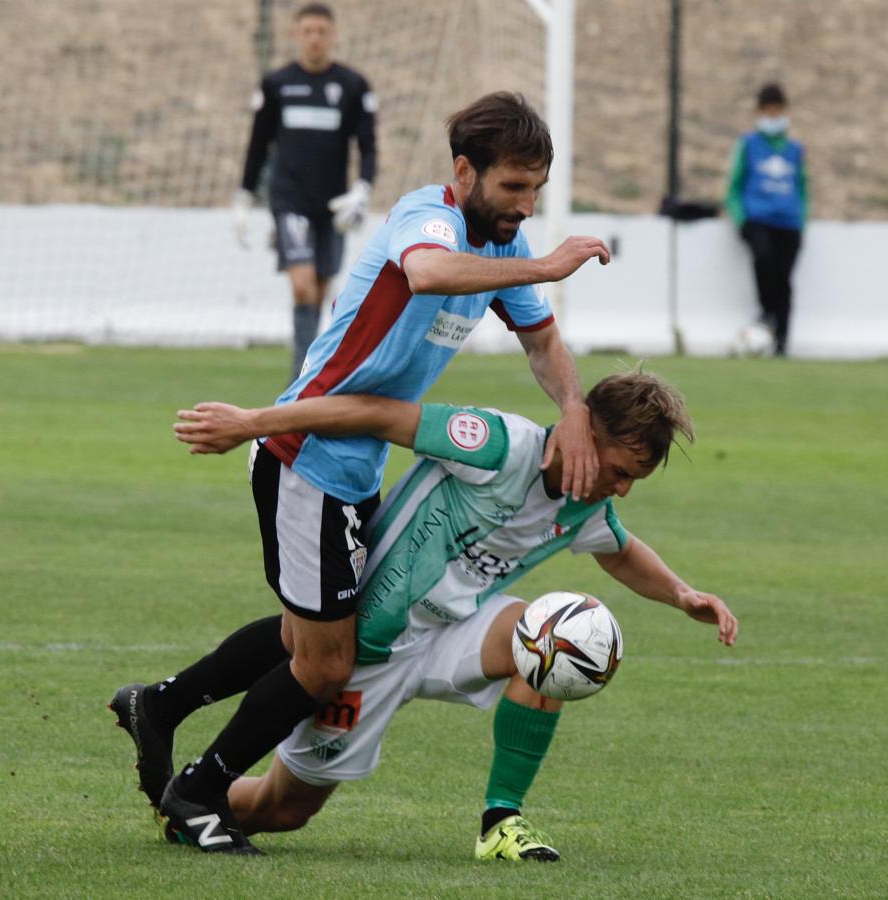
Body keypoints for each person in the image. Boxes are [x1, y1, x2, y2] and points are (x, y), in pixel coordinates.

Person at [113, 90, 611, 852]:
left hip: (352, 465)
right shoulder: (429, 216)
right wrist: (551, 261)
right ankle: (201, 791)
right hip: (306, 455)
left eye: (535, 191)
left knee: (303, 635)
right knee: (326, 662)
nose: (524, 204)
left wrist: (575, 407)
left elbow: (542, 343)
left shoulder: (504, 251)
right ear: (465, 171)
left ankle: (161, 705)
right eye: (513, 187)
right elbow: (429, 273)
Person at [158, 370, 737, 858]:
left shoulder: (587, 505)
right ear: (584, 432)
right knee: (281, 811)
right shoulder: (496, 444)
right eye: (620, 470)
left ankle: (502, 822)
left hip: (456, 632)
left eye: (633, 479)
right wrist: (252, 423)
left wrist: (684, 595)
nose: (622, 489)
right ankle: (193, 801)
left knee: (561, 636)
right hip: (368, 648)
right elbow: (378, 414)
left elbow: (622, 551)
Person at [234, 2, 378, 382]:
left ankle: (313, 372)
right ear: (296, 35)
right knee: (301, 287)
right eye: (308, 31)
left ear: (332, 36)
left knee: (319, 289)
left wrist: (362, 190)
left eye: (322, 31)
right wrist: (244, 198)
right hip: (290, 201)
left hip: (332, 204)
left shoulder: (353, 86)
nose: (315, 38)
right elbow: (257, 145)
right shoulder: (277, 84)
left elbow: (368, 146)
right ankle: (300, 381)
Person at [725, 82, 807, 357]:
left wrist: (801, 218)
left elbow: (802, 186)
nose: (773, 117)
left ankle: (782, 341)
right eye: (768, 111)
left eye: (777, 111)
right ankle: (765, 313)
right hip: (758, 217)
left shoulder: (794, 149)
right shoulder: (749, 145)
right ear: (760, 112)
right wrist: (740, 217)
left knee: (784, 280)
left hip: (789, 221)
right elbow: (734, 184)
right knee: (763, 258)